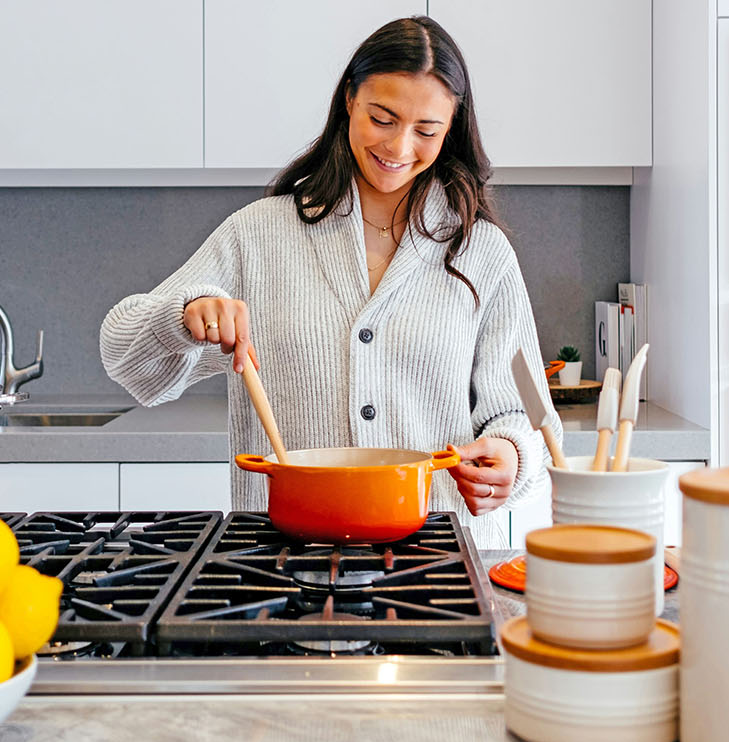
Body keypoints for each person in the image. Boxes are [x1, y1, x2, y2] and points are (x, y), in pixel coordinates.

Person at [100, 15, 559, 548]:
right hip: (278, 562)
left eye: (426, 130)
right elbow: (125, 358)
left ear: (451, 127)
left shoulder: (481, 251)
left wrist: (509, 454)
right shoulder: (260, 234)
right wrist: (184, 316)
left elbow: (523, 413)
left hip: (433, 562)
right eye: (382, 118)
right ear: (349, 99)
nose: (400, 146)